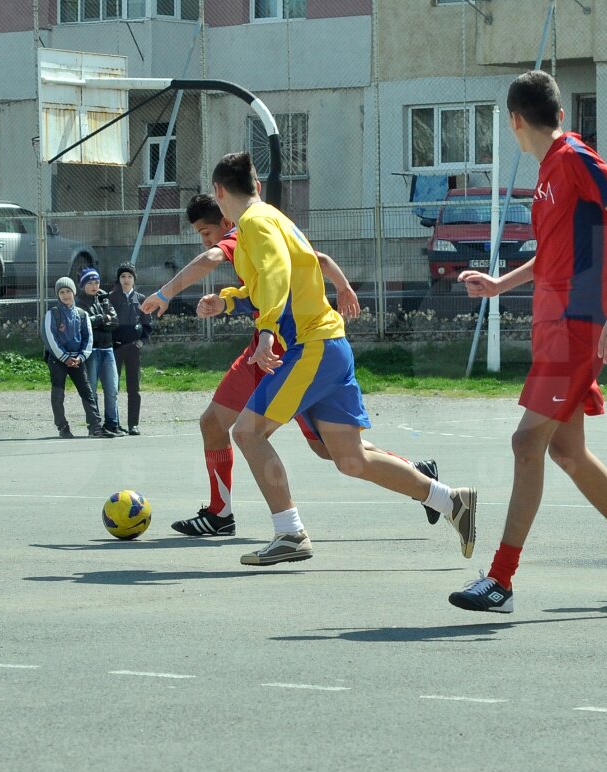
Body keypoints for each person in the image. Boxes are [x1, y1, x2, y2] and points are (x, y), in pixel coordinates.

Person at [447, 69, 607, 615]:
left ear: (515, 121)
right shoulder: (551, 171)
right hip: (556, 324)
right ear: (558, 112)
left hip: (577, 323)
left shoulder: (574, 158)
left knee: (526, 445)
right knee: (567, 450)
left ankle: (500, 580)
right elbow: (554, 251)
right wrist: (501, 284)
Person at [196, 152, 475, 566]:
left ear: (219, 191)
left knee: (248, 433)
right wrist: (230, 300)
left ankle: (289, 532)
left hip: (310, 346)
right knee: (349, 457)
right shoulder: (273, 217)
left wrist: (267, 331)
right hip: (330, 345)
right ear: (254, 183)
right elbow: (282, 278)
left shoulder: (253, 223)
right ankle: (451, 501)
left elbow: (275, 276)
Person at [142, 193, 442, 539]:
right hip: (268, 350)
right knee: (215, 422)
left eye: (206, 231)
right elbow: (312, 265)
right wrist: (225, 302)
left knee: (325, 447)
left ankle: (411, 480)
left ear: (226, 218)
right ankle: (220, 513)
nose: (207, 240)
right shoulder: (266, 233)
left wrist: (166, 293)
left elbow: (211, 258)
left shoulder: (243, 233)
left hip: (289, 355)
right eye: (201, 234)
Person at [42, 277, 108, 439]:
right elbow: (50, 338)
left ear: (74, 292)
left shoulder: (82, 314)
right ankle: (62, 427)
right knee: (58, 394)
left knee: (87, 392)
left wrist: (80, 357)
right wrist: (64, 357)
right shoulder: (52, 314)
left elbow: (88, 339)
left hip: (77, 360)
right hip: (58, 360)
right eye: (62, 292)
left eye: (68, 292)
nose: (65, 295)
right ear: (58, 295)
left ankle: (95, 427)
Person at [76, 268, 123, 436]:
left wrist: (101, 320)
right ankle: (94, 426)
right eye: (90, 283)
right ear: (82, 285)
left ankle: (112, 424)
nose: (94, 286)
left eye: (96, 282)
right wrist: (103, 319)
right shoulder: (78, 303)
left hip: (107, 348)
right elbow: (84, 323)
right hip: (91, 350)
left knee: (112, 389)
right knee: (92, 391)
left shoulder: (103, 299)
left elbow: (115, 321)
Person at [110, 262, 151, 435]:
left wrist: (141, 341)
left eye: (129, 277)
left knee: (134, 388)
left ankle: (133, 424)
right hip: (115, 348)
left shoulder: (141, 299)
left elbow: (147, 324)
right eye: (123, 277)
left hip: (133, 349)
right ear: (118, 280)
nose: (126, 280)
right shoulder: (111, 298)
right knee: (113, 387)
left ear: (134, 280)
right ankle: (114, 423)